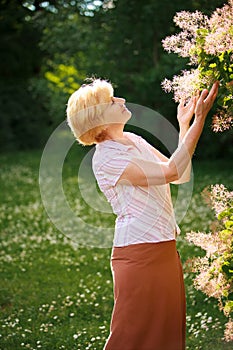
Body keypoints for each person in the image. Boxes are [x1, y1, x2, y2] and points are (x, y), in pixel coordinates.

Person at [66, 79, 219, 350]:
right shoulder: (107, 158)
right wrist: (200, 119)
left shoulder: (132, 140)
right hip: (139, 254)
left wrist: (185, 125)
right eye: (112, 102)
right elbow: (171, 171)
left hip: (163, 248)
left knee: (166, 336)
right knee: (131, 337)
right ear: (98, 120)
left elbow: (179, 174)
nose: (122, 101)